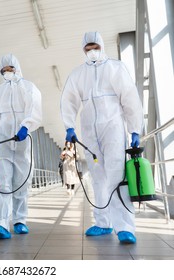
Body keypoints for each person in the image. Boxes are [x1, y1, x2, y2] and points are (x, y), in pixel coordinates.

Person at [60, 31, 143, 244]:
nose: (91, 52)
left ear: (101, 46)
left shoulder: (115, 68)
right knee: (97, 177)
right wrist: (69, 126)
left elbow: (130, 98)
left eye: (94, 47)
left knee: (117, 174)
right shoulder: (78, 75)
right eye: (87, 49)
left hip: (113, 126)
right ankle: (103, 223)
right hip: (89, 130)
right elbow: (69, 100)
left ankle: (124, 227)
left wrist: (134, 129)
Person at [0, 54, 42, 239]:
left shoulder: (28, 87)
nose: (7, 73)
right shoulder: (0, 90)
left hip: (22, 140)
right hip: (3, 139)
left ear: (17, 68)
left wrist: (26, 125)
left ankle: (20, 220)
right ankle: (1, 224)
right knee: (3, 182)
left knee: (21, 182)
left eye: (10, 69)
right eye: (4, 70)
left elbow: (34, 108)